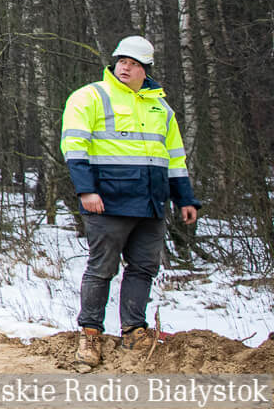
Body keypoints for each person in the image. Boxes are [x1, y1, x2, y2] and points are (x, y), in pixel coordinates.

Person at [61, 35, 199, 370]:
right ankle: (90, 334)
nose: (126, 67)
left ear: (145, 69)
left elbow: (175, 158)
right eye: (122, 60)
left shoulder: (160, 107)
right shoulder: (91, 96)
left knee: (143, 268)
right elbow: (74, 147)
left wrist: (185, 199)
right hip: (107, 201)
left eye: (134, 63)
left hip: (151, 203)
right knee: (101, 268)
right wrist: (85, 191)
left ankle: (134, 330)